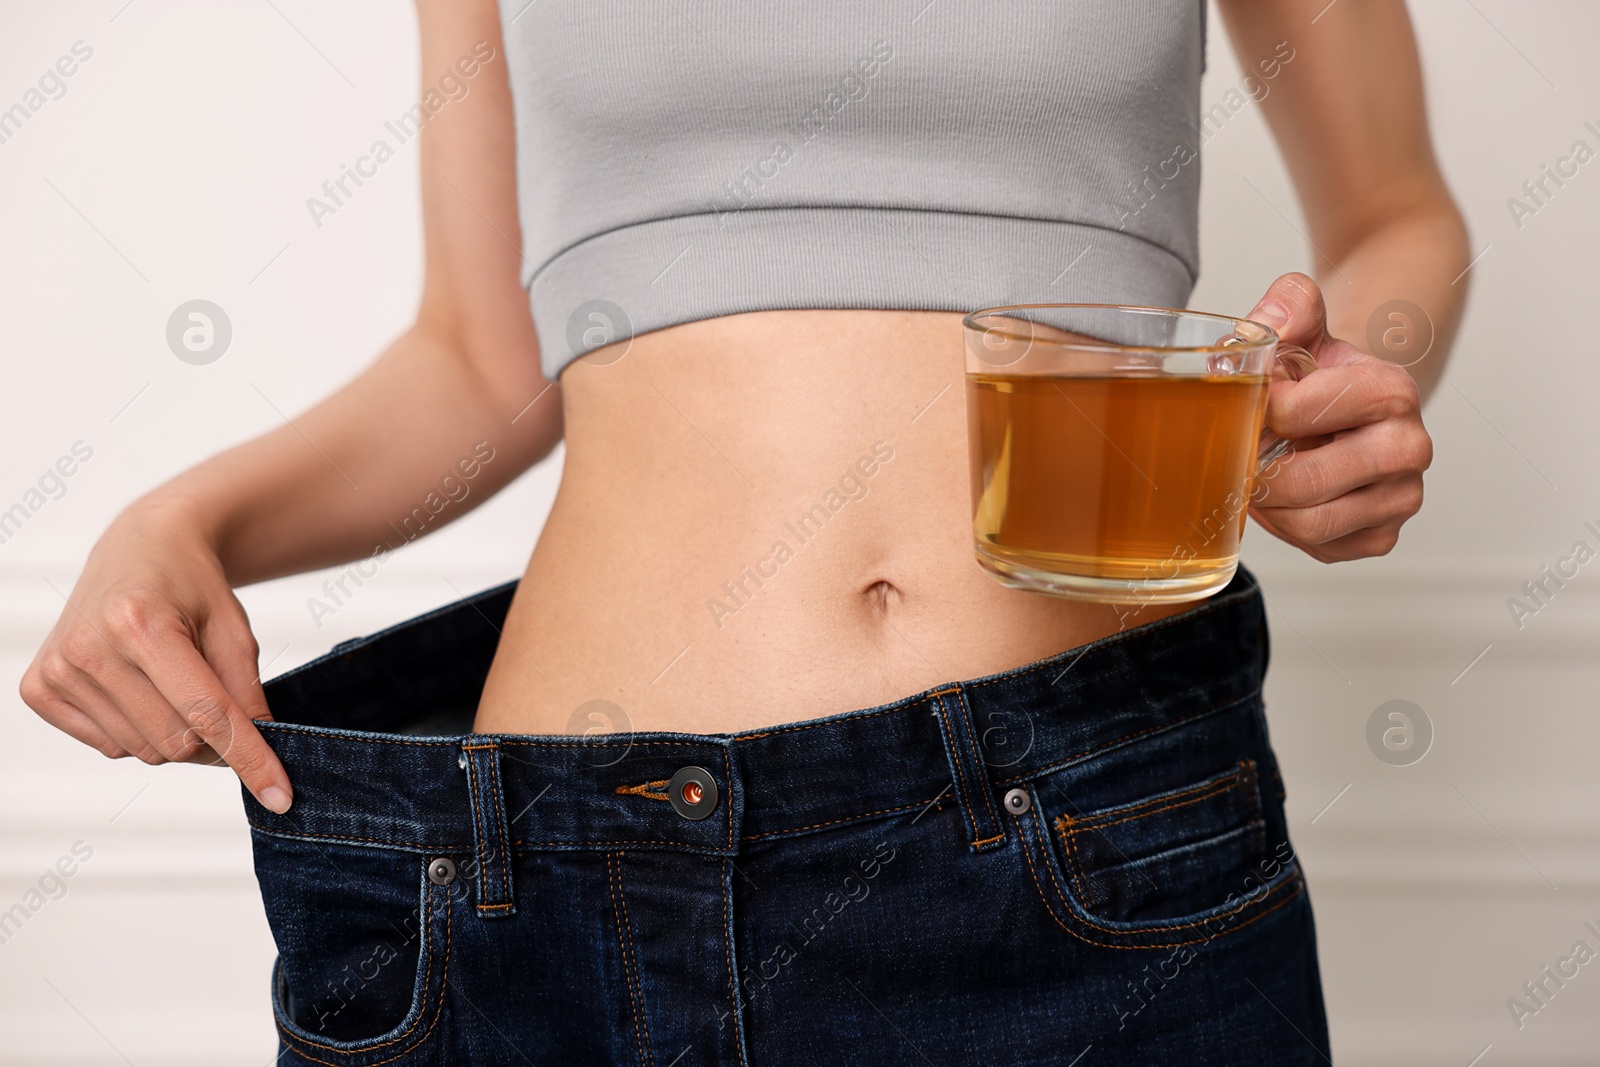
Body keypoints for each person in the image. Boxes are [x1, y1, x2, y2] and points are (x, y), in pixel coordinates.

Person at [20, 0, 1465, 1062]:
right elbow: (483, 354)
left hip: (1083, 841)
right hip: (550, 874)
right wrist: (183, 519)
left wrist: (1339, 394)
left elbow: (1398, 212)